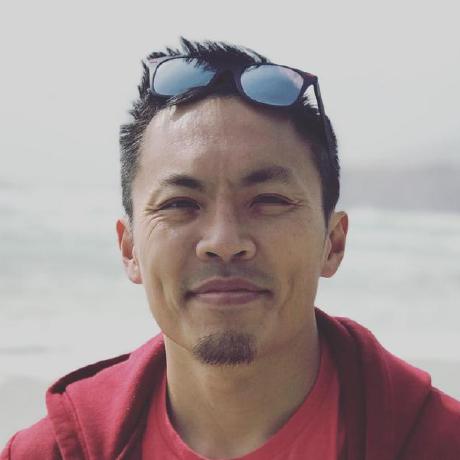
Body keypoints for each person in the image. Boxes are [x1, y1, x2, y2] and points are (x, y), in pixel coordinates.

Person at [2, 37, 460, 460]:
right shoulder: (51, 453)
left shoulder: (438, 442)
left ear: (333, 242)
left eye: (269, 201)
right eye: (180, 204)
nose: (224, 241)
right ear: (129, 249)